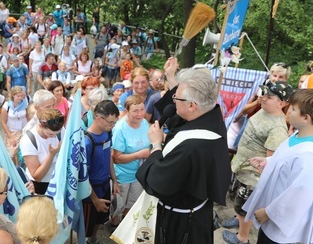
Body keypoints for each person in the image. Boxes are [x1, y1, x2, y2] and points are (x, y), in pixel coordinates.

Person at [135, 66, 232, 244]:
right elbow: (179, 115)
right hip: (198, 211)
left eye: (176, 98)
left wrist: (156, 145)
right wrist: (171, 77)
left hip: (181, 223)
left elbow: (157, 182)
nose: (173, 101)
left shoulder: (191, 147)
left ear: (192, 105)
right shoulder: (212, 118)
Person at [222, 81, 293, 244]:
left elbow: (270, 163)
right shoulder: (264, 111)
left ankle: (242, 237)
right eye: (263, 94)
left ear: (281, 103)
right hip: (242, 167)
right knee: (239, 203)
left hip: (252, 178)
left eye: (269, 96)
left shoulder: (277, 128)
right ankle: (239, 218)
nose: (263, 97)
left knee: (245, 206)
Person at [241, 89, 313, 243]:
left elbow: (298, 194)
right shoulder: (298, 135)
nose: (289, 112)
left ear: (306, 118)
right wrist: (268, 161)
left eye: (293, 109)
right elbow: (286, 157)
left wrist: (268, 213)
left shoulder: (308, 155)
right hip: (270, 216)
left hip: (280, 225)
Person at [83, 100, 120, 244]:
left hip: (105, 187)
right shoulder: (87, 142)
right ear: (98, 118)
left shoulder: (106, 134)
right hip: (90, 194)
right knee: (86, 226)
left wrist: (114, 181)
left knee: (100, 219)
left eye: (114, 122)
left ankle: (93, 240)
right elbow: (83, 176)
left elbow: (108, 157)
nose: (112, 126)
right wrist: (95, 200)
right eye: (111, 122)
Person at [111, 95, 150, 226]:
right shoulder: (120, 129)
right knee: (118, 207)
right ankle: (115, 226)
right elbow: (116, 158)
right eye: (135, 111)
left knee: (132, 204)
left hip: (139, 174)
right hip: (123, 175)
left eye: (142, 109)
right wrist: (140, 154)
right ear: (127, 111)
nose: (140, 114)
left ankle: (126, 227)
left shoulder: (144, 123)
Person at [20, 109, 63, 194]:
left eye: (57, 133)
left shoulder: (61, 131)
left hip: (59, 180)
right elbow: (37, 177)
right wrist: (51, 155)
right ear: (40, 126)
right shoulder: (28, 140)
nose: (54, 137)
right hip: (40, 186)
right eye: (50, 134)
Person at [1, 86, 29, 165]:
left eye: (21, 96)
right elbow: (3, 122)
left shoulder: (25, 104)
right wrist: (10, 137)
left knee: (22, 152)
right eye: (18, 96)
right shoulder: (7, 106)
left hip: (23, 131)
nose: (20, 98)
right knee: (12, 153)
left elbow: (27, 116)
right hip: (12, 132)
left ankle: (22, 168)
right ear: (13, 95)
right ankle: (14, 169)